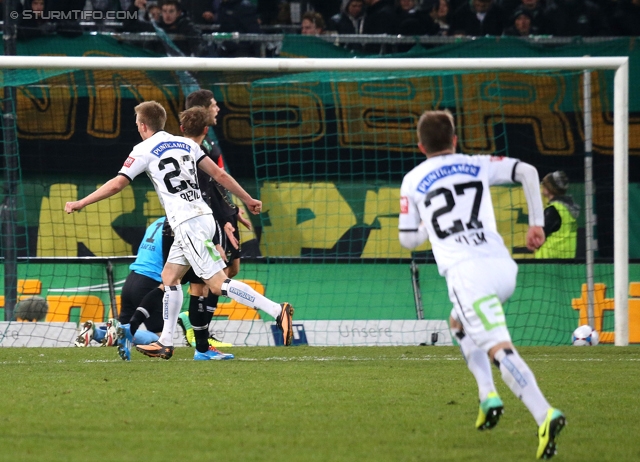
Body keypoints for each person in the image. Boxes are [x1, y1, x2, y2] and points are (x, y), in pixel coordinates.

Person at [64, 101, 294, 361]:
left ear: (142, 126)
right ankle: (165, 342)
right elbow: (219, 175)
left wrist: (80, 202)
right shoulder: (187, 144)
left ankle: (276, 310)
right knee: (170, 278)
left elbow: (118, 185)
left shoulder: (142, 149)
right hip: (202, 217)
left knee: (217, 285)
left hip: (187, 224)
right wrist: (248, 199)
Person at [398, 110, 565, 460]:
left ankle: (544, 413)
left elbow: (408, 240)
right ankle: (487, 394)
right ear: (455, 140)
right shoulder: (476, 163)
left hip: (467, 274)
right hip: (503, 267)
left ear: (420, 145)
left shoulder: (413, 180)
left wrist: (430, 223)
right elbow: (528, 172)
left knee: (498, 348)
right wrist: (536, 223)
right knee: (458, 323)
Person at [534, 171, 579, 259]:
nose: (542, 186)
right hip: (566, 263)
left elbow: (537, 239)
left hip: (547, 264)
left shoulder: (553, 210)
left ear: (549, 188)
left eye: (544, 184)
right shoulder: (568, 210)